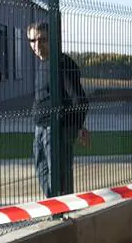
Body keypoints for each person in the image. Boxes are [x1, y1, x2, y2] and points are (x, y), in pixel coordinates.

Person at [27, 22, 91, 197]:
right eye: (32, 40)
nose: (37, 45)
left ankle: (63, 213)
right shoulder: (42, 63)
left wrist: (77, 128)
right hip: (39, 129)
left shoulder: (61, 63)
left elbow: (80, 100)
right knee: (42, 172)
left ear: (53, 40)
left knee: (59, 176)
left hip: (56, 129)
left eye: (42, 40)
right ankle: (53, 208)